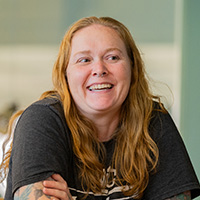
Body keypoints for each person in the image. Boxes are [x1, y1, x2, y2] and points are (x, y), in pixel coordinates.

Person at [0, 16, 200, 200]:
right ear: (65, 74)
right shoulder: (43, 120)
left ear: (132, 67)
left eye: (112, 57)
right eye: (84, 60)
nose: (99, 70)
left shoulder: (153, 120)